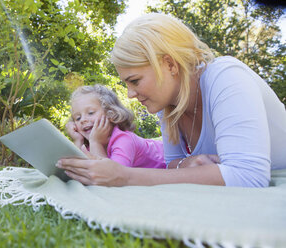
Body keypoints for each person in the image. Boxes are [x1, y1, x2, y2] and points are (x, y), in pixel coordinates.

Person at [56, 13, 286, 187]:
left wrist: (125, 176)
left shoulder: (227, 77)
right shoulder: (168, 107)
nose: (129, 94)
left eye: (135, 80)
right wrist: (186, 164)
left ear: (170, 64)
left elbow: (249, 176)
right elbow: (172, 164)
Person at [66, 84, 166, 169]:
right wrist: (78, 140)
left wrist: (96, 143)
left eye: (91, 113)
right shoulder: (89, 145)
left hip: (169, 163)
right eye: (78, 118)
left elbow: (106, 177)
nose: (83, 120)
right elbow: (75, 170)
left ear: (111, 113)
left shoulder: (124, 140)